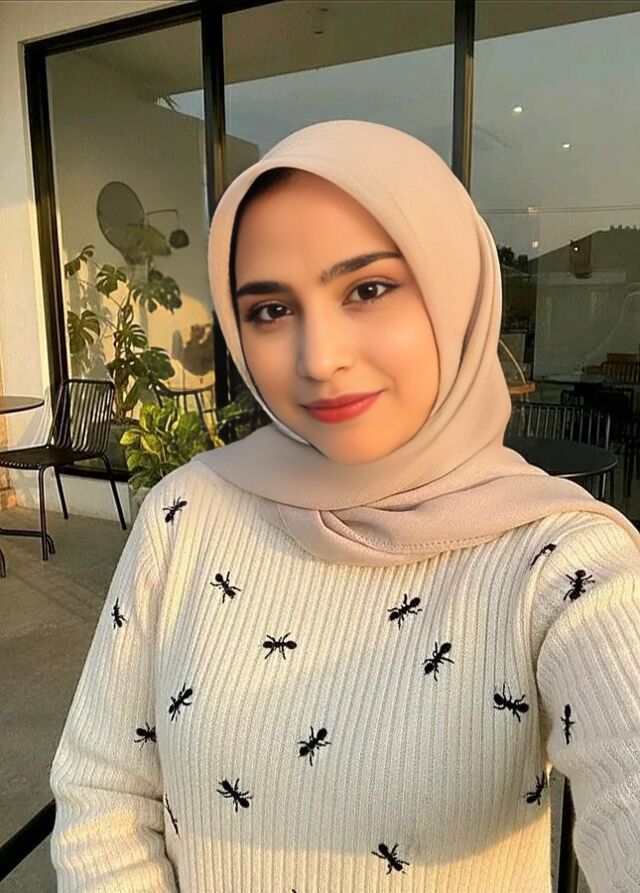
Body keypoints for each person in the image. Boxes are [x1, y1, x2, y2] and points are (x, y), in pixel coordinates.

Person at [49, 120, 640, 892]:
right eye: (270, 309)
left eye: (367, 289)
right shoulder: (185, 515)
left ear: (455, 290)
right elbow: (103, 792)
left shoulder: (561, 565)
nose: (319, 357)